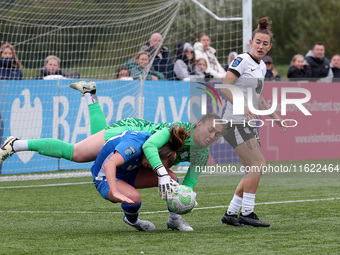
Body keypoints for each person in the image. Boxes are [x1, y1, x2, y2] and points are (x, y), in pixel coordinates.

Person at [0, 80, 223, 231]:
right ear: (199, 124)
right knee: (77, 153)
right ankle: (16, 144)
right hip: (131, 134)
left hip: (139, 158)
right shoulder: (177, 129)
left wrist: (183, 199)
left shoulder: (202, 152)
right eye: (211, 130)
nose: (213, 137)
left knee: (173, 181)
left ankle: (174, 221)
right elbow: (150, 147)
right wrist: (162, 174)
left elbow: (189, 182)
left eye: (218, 135)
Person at [220, 17, 287, 227]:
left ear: (270, 47)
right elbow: (224, 87)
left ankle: (231, 213)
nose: (261, 46)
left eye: (265, 43)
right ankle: (247, 213)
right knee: (259, 165)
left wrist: (276, 118)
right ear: (251, 42)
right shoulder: (242, 60)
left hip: (248, 122)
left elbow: (258, 98)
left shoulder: (261, 68)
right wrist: (242, 107)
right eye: (258, 42)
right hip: (234, 122)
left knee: (252, 169)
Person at [92, 125, 189, 231]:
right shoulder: (133, 147)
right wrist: (115, 191)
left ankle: (174, 219)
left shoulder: (155, 144)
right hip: (106, 176)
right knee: (134, 198)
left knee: (171, 178)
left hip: (130, 170)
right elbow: (109, 165)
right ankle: (133, 221)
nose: (154, 169)